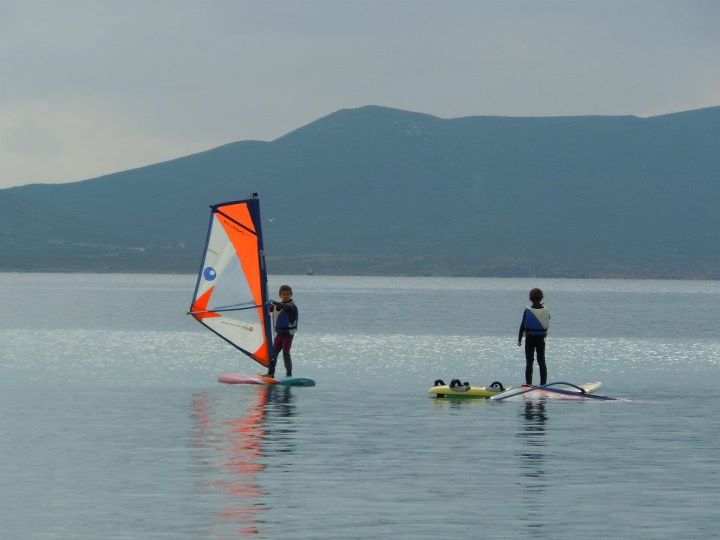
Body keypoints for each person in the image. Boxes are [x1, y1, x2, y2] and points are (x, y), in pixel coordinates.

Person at [517, 288, 550, 386]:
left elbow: (522, 326)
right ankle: (543, 385)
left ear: (530, 298)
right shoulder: (546, 311)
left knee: (529, 362)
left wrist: (519, 339)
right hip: (540, 339)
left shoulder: (527, 311)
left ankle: (528, 384)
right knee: (541, 361)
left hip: (530, 338)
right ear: (541, 298)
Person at [266, 284, 299, 378]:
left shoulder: (291, 306)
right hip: (280, 334)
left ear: (291, 295)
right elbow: (268, 310)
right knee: (273, 353)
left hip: (288, 334)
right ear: (280, 295)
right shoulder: (276, 306)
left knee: (285, 352)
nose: (286, 296)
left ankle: (289, 373)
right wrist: (265, 305)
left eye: (288, 294)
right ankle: (270, 373)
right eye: (284, 294)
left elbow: (285, 307)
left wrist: (273, 302)